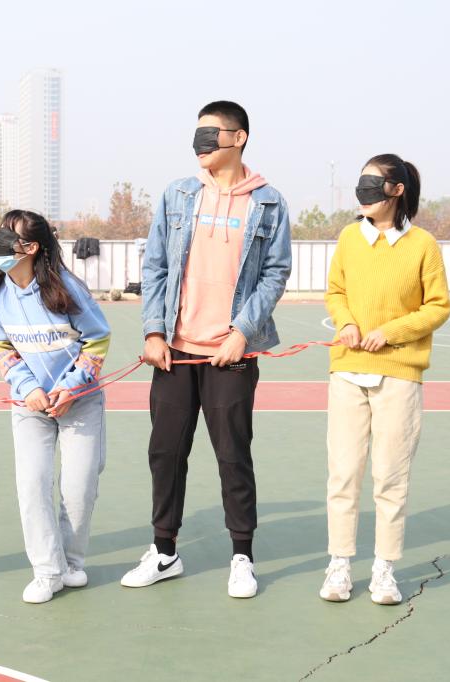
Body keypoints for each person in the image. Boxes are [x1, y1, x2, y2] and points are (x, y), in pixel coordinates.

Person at [122, 100, 292, 599]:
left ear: (238, 138)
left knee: (233, 456)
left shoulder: (269, 202)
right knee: (165, 453)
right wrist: (154, 332)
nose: (200, 143)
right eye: (196, 134)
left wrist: (242, 332)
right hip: (175, 353)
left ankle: (242, 556)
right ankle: (164, 552)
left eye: (210, 134)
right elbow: (155, 266)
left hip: (231, 356)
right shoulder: (177, 195)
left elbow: (275, 272)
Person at [321, 154, 450, 605]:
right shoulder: (348, 238)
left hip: (399, 376)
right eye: (361, 183)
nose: (363, 192)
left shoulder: (423, 245)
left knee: (390, 477)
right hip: (347, 372)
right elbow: (336, 291)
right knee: (343, 475)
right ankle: (339, 564)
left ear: (397, 190)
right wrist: (347, 323)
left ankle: (384, 569)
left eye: (373, 184)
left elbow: (438, 306)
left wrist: (390, 333)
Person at [0, 210, 111, 604]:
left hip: (79, 403)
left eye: (8, 235)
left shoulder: (68, 288)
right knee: (32, 485)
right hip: (29, 405)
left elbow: (98, 339)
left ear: (31, 247)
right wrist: (28, 387)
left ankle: (71, 562)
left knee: (79, 487)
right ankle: (47, 572)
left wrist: (70, 387)